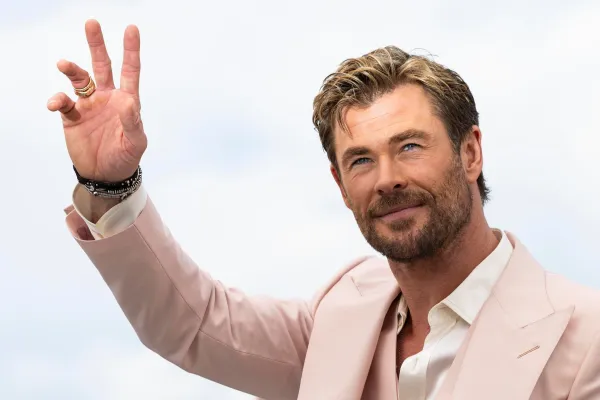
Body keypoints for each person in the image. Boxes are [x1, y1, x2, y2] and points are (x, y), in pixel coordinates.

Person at [48, 19, 600, 400]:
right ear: (339, 184)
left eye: (410, 146)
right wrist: (110, 185)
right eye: (361, 160)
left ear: (470, 152)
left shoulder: (585, 337)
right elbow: (194, 324)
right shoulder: (343, 309)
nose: (387, 179)